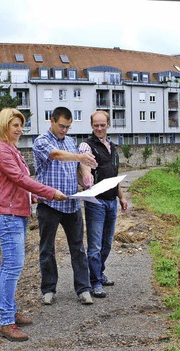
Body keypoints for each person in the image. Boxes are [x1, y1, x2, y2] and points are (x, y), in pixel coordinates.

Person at [0, 107, 67, 342]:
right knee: (12, 268)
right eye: (15, 125)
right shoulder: (1, 149)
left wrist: (35, 196)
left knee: (12, 267)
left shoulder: (11, 149)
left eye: (21, 126)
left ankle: (10, 311)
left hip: (16, 213)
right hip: (7, 214)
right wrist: (50, 192)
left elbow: (19, 184)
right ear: (4, 126)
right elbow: (21, 179)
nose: (20, 129)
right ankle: (5, 321)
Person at [32, 106, 98, 305]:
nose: (64, 131)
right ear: (51, 120)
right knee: (47, 249)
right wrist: (80, 157)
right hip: (49, 204)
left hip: (72, 204)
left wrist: (85, 179)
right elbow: (56, 155)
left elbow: (75, 170)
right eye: (61, 126)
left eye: (68, 127)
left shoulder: (71, 142)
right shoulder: (41, 141)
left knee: (78, 248)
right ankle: (49, 289)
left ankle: (83, 288)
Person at [79, 110, 128, 298]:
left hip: (111, 201)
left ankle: (99, 272)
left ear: (108, 124)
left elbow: (114, 177)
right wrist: (86, 174)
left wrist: (122, 196)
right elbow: (84, 163)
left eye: (102, 125)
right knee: (95, 246)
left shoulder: (112, 147)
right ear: (92, 126)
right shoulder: (86, 145)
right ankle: (95, 282)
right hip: (96, 202)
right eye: (95, 125)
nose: (99, 128)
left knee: (107, 243)